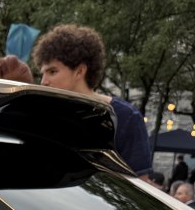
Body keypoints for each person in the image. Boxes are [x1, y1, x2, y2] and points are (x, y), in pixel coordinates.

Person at [31, 24, 151, 174]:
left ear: (80, 71)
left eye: (52, 71)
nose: (44, 81)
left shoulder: (126, 118)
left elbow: (140, 184)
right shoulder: (43, 115)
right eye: (42, 73)